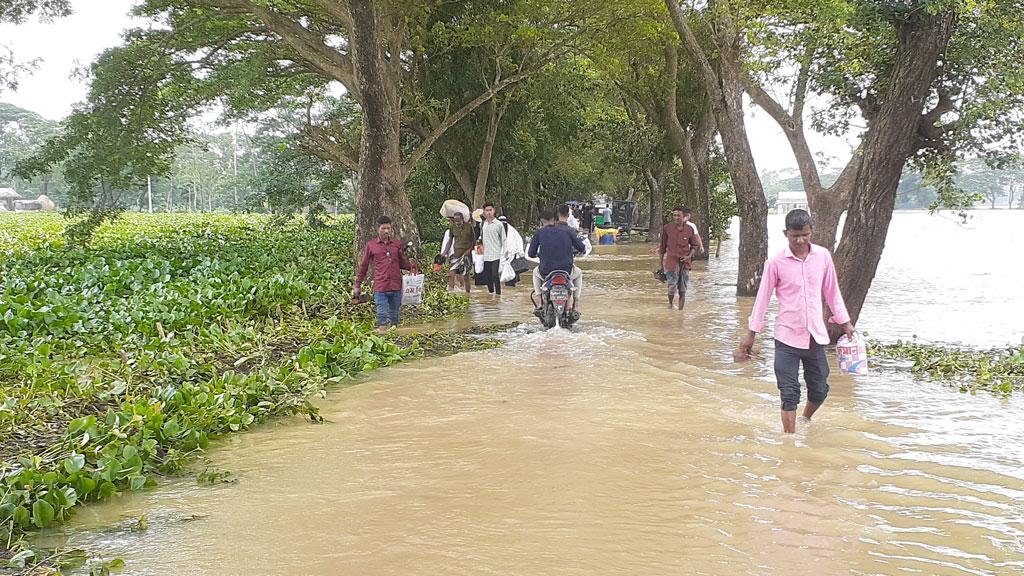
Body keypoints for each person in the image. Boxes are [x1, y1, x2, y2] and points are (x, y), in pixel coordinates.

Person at [734, 209, 856, 434]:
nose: (800, 241)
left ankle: (805, 420)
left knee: (819, 390)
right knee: (789, 393)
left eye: (805, 235)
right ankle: (789, 441)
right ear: (786, 233)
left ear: (811, 232)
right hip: (786, 337)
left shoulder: (823, 257)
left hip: (815, 337)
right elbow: (762, 298)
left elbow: (832, 292)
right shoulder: (775, 262)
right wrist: (751, 333)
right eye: (794, 236)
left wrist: (845, 322)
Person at [353, 216, 418, 333]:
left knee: (394, 316)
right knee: (381, 314)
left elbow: (401, 262)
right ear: (378, 229)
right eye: (383, 228)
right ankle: (382, 333)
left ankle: (394, 338)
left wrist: (412, 267)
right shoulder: (371, 245)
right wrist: (357, 285)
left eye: (388, 228)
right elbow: (364, 266)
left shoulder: (396, 244)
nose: (386, 231)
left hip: (396, 285)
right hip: (381, 286)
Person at [528, 208, 586, 313]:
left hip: (545, 271)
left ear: (541, 221)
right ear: (555, 219)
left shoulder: (539, 233)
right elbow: (581, 247)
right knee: (579, 273)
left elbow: (531, 253)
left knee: (535, 272)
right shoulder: (568, 231)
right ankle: (576, 304)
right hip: (566, 270)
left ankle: (539, 301)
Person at [657, 206, 705, 310]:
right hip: (671, 262)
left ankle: (680, 312)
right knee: (671, 286)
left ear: (684, 216)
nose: (676, 217)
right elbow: (662, 247)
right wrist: (660, 265)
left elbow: (694, 245)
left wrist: (689, 256)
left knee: (682, 289)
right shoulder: (667, 228)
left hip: (685, 263)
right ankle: (670, 304)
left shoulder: (690, 229)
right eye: (674, 215)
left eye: (678, 215)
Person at [441, 212, 475, 293]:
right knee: (451, 273)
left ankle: (468, 294)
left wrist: (470, 250)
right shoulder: (452, 228)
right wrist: (444, 252)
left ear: (462, 220)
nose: (457, 223)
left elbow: (474, 240)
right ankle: (451, 293)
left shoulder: (469, 226)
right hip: (456, 254)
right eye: (455, 221)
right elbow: (449, 241)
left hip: (467, 254)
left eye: (459, 221)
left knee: (465, 276)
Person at [479, 203, 507, 295]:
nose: (489, 212)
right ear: (484, 212)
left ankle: (498, 294)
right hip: (486, 254)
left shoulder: (499, 224)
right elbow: (481, 238)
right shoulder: (483, 224)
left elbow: (503, 239)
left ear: (494, 211)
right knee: (488, 276)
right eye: (487, 210)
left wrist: (505, 253)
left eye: (490, 210)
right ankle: (491, 293)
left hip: (496, 254)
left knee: (495, 275)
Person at [499, 215, 526, 287]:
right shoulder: (498, 229)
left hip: (512, 254)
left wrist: (520, 252)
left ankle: (511, 285)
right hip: (502, 254)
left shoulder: (512, 231)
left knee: (512, 269)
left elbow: (518, 240)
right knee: (505, 270)